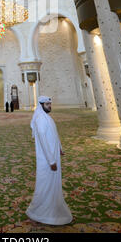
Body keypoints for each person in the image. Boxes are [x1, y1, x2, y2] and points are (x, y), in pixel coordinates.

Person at [26, 96, 73, 225]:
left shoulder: (48, 118)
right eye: (47, 104)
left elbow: (54, 134)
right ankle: (39, 211)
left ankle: (52, 206)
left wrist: (59, 149)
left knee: (53, 184)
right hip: (46, 160)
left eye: (50, 104)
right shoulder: (40, 119)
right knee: (45, 184)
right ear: (41, 105)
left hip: (53, 156)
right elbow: (43, 141)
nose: (50, 106)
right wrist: (51, 161)